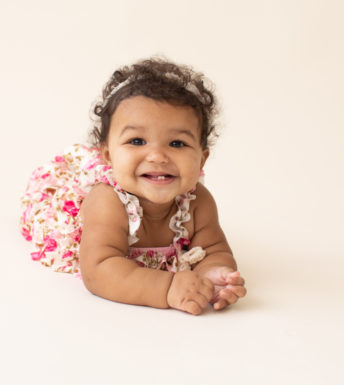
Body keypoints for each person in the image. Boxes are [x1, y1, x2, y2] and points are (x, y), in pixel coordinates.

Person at [20, 57, 246, 315]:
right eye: (137, 141)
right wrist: (167, 287)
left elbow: (214, 249)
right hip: (65, 210)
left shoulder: (198, 201)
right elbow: (99, 270)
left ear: (201, 158)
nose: (158, 156)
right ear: (108, 156)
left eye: (177, 144)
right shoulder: (107, 201)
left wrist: (214, 275)